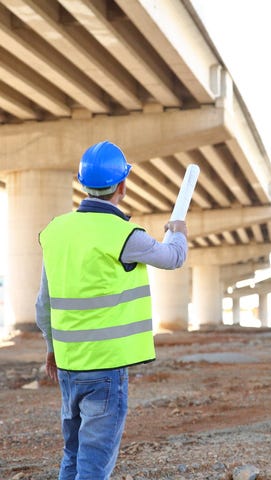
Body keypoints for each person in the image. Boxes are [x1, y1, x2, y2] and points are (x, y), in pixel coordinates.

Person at [35, 140, 188, 480]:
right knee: (93, 464)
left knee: (73, 455)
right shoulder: (124, 235)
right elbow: (173, 257)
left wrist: (51, 350)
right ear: (122, 185)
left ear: (82, 182)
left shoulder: (56, 230)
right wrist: (178, 231)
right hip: (104, 370)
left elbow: (43, 304)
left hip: (68, 365)